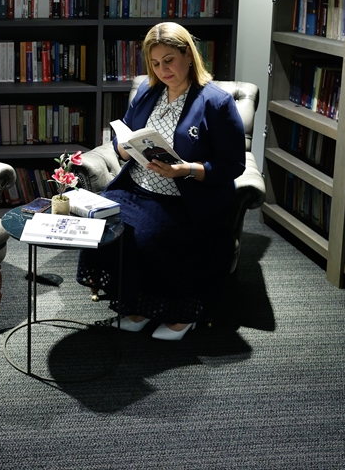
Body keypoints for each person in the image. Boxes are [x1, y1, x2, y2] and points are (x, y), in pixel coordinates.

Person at [77, 21, 246, 340]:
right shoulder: (147, 91)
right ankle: (138, 307)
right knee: (101, 222)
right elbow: (124, 133)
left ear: (188, 55)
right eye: (155, 63)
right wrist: (122, 148)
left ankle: (180, 313)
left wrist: (186, 169)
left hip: (187, 197)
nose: (162, 70)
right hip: (137, 187)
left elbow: (232, 165)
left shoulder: (216, 102)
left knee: (149, 237)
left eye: (169, 60)